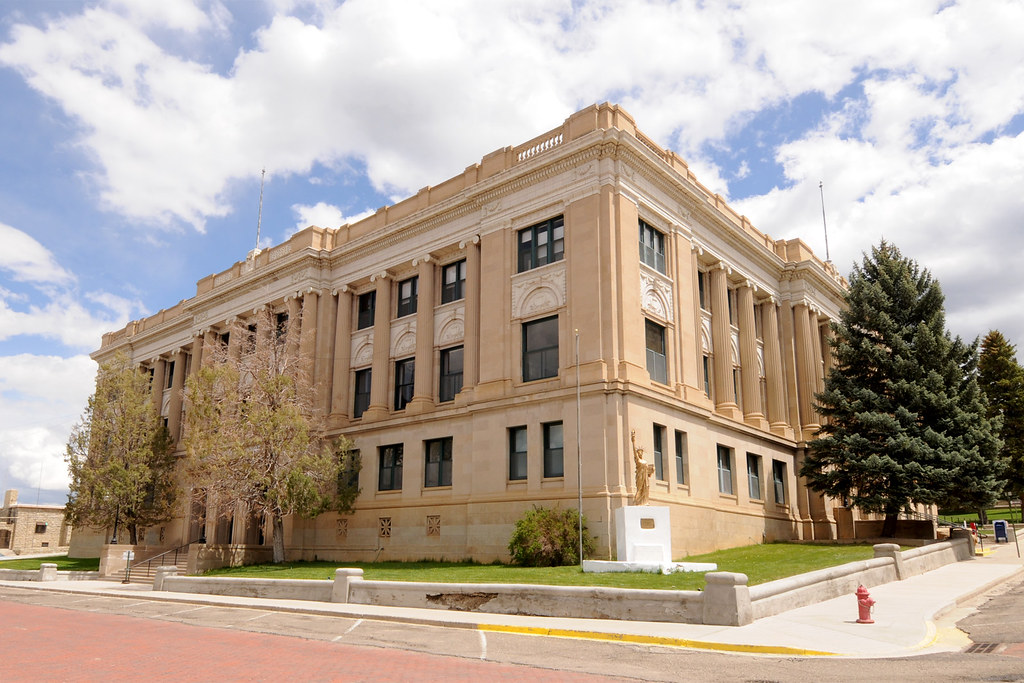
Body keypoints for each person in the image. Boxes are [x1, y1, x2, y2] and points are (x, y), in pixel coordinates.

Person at [630, 429, 655, 506]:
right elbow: (634, 451)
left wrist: (651, 470)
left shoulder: (645, 461)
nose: (640, 452)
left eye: (641, 451)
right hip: (640, 476)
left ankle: (645, 502)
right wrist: (633, 441)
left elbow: (648, 471)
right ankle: (636, 502)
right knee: (640, 489)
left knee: (646, 489)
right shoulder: (638, 460)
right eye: (639, 452)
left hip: (645, 477)